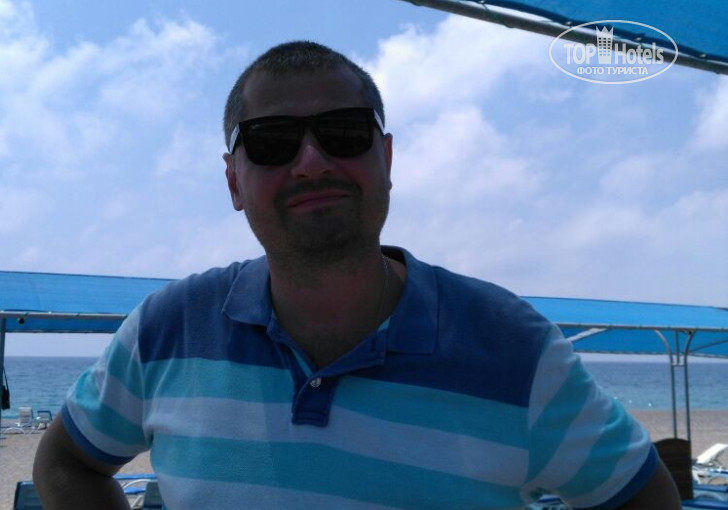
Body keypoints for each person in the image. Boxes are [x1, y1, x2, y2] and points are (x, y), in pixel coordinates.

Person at [33, 41, 680, 509]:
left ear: (386, 159)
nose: (312, 162)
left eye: (343, 132)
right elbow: (65, 462)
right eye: (272, 141)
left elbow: (642, 496)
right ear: (233, 181)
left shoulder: (514, 348)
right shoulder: (165, 330)